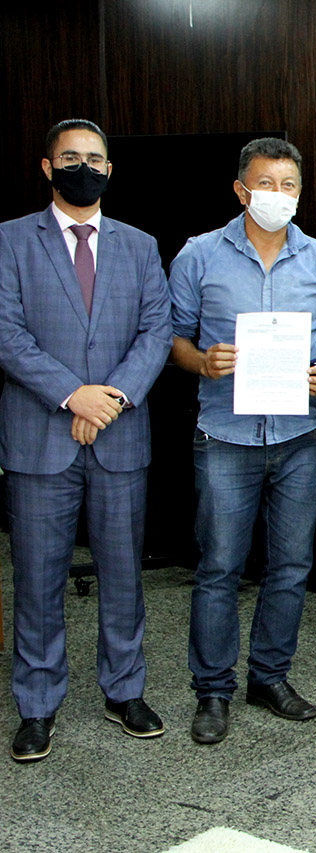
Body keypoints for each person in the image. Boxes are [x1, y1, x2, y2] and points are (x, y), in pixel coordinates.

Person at [0, 119, 172, 762]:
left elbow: (156, 332)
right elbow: (6, 334)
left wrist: (112, 398)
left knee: (123, 573)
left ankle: (124, 690)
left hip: (119, 436)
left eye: (94, 159)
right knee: (37, 578)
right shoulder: (10, 240)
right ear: (48, 168)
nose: (84, 167)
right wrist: (75, 395)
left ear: (109, 171)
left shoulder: (140, 245)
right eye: (70, 157)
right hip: (39, 438)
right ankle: (37, 703)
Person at [169, 137, 316, 744]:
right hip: (225, 435)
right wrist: (202, 362)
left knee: (291, 565)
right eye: (266, 184)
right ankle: (212, 690)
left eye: (288, 186)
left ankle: (269, 677)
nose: (278, 195)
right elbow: (172, 339)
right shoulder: (198, 255)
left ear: (300, 193)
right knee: (219, 566)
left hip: (301, 435)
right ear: (241, 190)